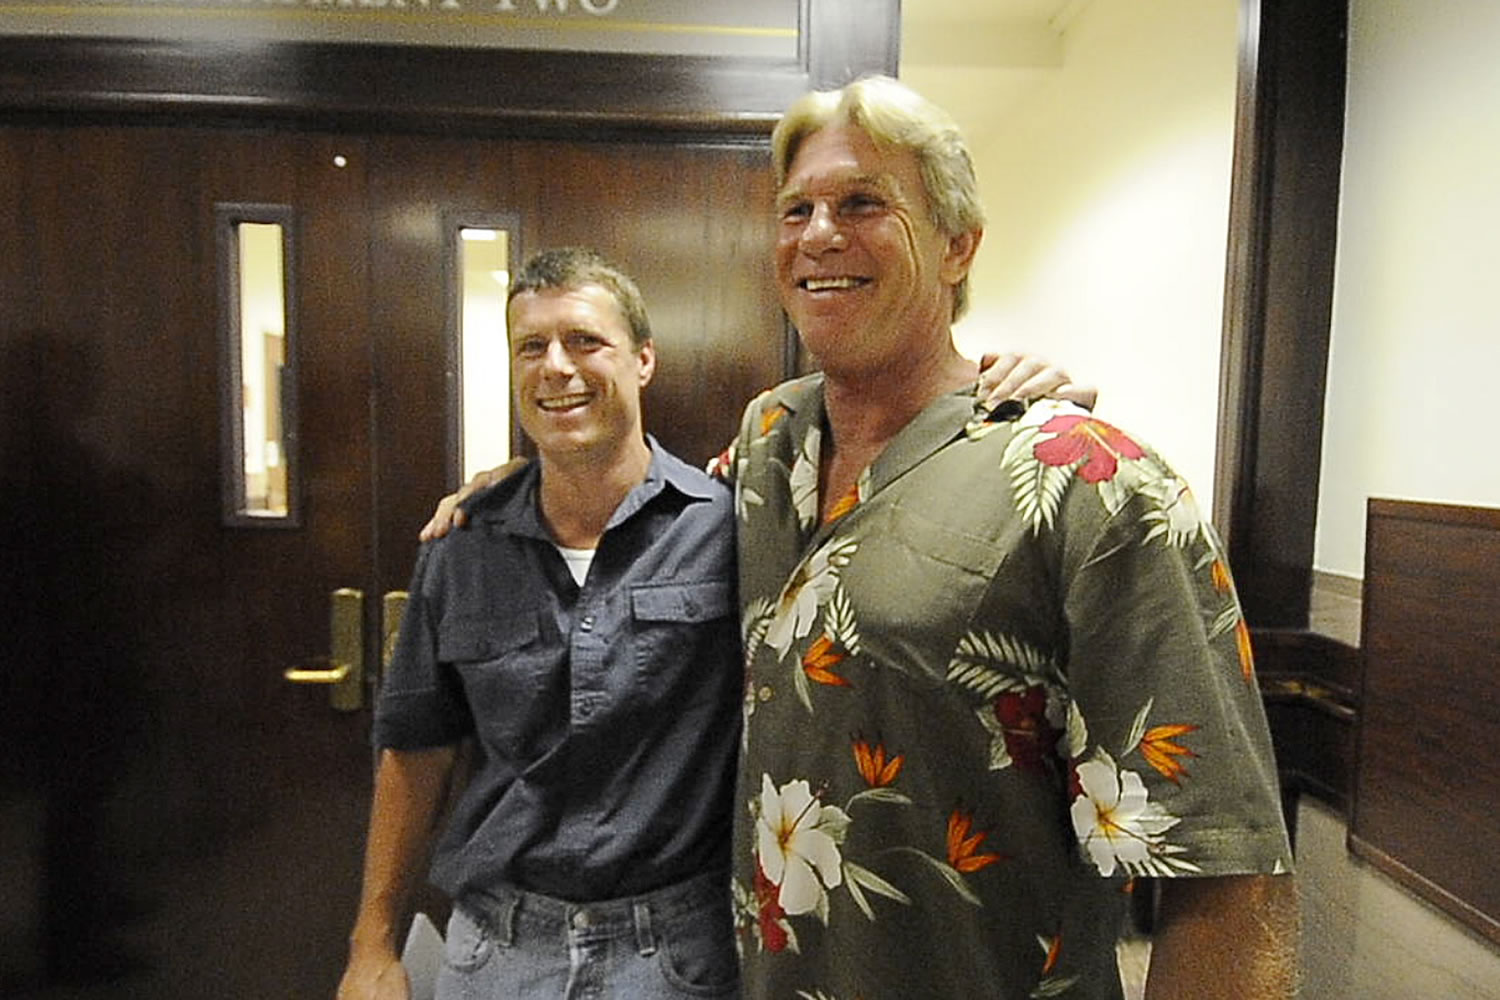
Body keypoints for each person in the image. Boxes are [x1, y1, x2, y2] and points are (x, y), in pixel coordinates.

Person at [428, 76, 1298, 998]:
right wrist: (524, 482)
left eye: (862, 203)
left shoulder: (1089, 481)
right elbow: (647, 505)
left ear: (958, 245)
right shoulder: (769, 446)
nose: (817, 235)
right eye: (794, 209)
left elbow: (1227, 876)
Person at [337, 248, 746, 1000]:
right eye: (532, 346)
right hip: (497, 952)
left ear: (643, 360)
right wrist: (373, 945)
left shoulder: (730, 530)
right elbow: (415, 750)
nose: (556, 366)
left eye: (585, 341)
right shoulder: (460, 546)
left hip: (678, 955)